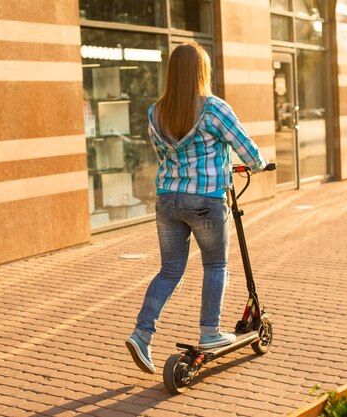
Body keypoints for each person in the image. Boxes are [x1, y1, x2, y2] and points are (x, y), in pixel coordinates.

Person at [125, 42, 268, 374]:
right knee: (216, 265)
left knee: (170, 271)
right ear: (201, 71)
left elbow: (164, 156)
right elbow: (245, 148)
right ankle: (210, 332)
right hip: (205, 198)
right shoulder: (214, 108)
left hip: (168, 199)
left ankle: (142, 333)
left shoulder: (156, 111)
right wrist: (259, 165)